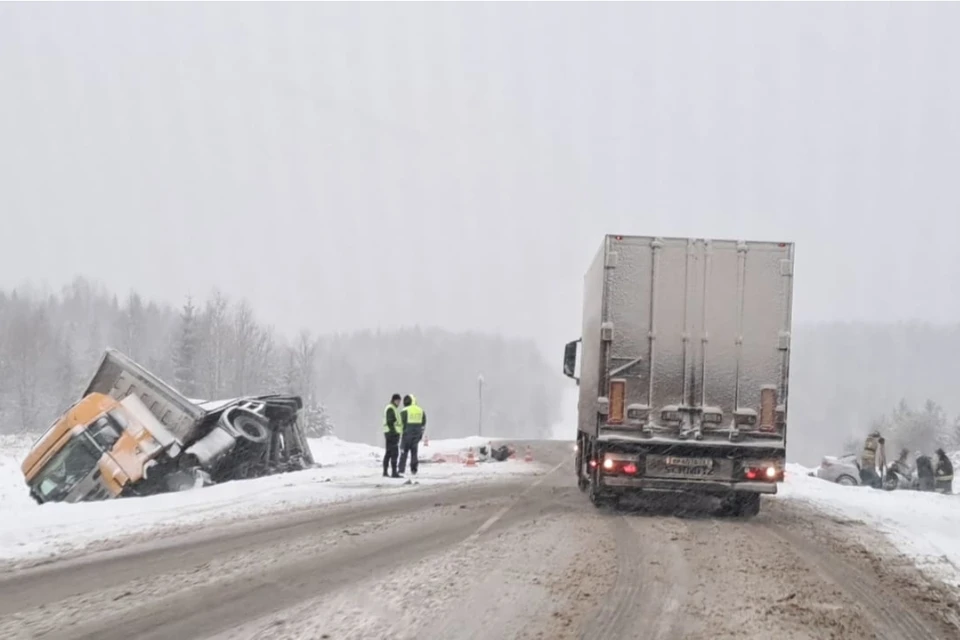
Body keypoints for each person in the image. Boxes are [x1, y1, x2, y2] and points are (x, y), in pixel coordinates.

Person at [398, 394, 427, 476]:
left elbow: (400, 423)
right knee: (414, 452)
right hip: (417, 434)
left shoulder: (404, 411)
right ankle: (414, 469)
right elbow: (423, 422)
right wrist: (421, 433)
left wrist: (399, 433)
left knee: (404, 452)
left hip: (407, 434)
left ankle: (401, 469)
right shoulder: (420, 410)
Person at [382, 393, 403, 478]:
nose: (399, 403)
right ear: (394, 400)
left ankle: (385, 472)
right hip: (392, 434)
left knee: (388, 452)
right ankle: (394, 472)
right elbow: (390, 421)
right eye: (397, 401)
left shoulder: (392, 408)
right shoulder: (391, 408)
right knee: (394, 453)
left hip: (388, 433)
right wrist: (394, 432)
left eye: (399, 401)